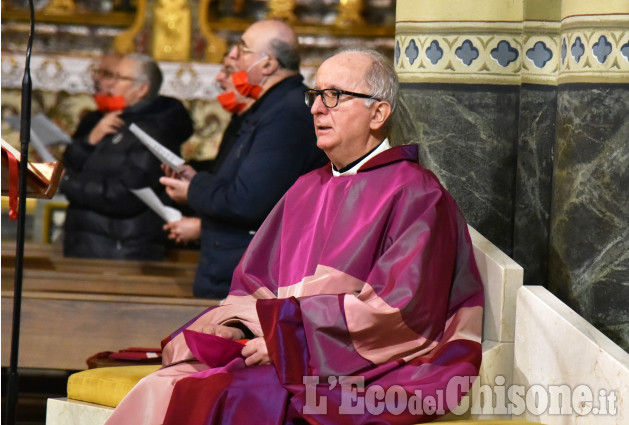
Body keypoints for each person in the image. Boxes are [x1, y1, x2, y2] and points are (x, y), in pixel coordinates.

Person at [104, 48, 484, 425]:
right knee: (170, 380)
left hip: (351, 366)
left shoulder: (416, 194)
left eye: (335, 96)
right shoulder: (305, 188)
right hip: (281, 346)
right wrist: (237, 325)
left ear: (378, 113)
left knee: (222, 395)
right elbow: (255, 284)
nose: (318, 108)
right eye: (316, 96)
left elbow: (402, 312)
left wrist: (288, 341)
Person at [160, 19, 327, 298]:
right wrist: (197, 178)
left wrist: (193, 190)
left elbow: (247, 201)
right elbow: (236, 176)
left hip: (249, 272)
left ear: (268, 65)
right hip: (231, 264)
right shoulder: (269, 106)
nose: (233, 56)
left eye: (243, 49)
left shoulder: (287, 112)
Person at [60, 53, 194, 260]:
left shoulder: (154, 130)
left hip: (120, 248)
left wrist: (66, 181)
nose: (111, 84)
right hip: (93, 242)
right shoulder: (113, 120)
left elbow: (126, 195)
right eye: (111, 76)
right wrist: (90, 141)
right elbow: (72, 163)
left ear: (142, 89)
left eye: (120, 78)